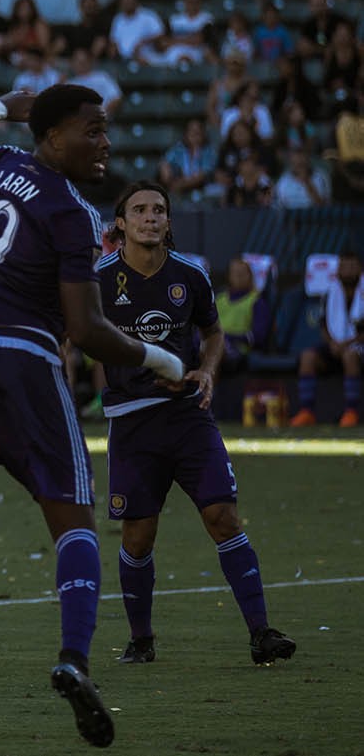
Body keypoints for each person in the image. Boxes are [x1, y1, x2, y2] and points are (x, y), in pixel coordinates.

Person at [0, 85, 187, 750]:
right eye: (91, 130)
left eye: (106, 132)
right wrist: (158, 359)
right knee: (72, 519)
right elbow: (83, 327)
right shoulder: (70, 211)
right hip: (23, 361)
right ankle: (72, 659)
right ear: (50, 136)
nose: (104, 143)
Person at [98, 181, 296, 667]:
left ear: (168, 221)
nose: (150, 217)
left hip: (188, 418)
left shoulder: (192, 274)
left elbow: (213, 332)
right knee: (138, 537)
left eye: (159, 210)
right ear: (120, 223)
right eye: (139, 210)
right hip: (131, 424)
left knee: (222, 517)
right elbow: (73, 335)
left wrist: (206, 371)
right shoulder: (98, 279)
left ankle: (261, 634)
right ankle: (141, 640)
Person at [290, 250, 363, 427]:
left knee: (350, 356)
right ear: (337, 270)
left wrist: (347, 344)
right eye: (344, 267)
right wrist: (332, 343)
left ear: (360, 269)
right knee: (308, 357)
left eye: (352, 267)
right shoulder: (330, 292)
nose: (348, 271)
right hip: (335, 346)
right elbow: (323, 325)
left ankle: (351, 412)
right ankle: (306, 411)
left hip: (358, 347)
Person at [216, 257, 271, 373]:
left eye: (243, 273)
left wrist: (228, 337)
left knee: (214, 351)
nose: (239, 276)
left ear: (250, 276)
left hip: (238, 349)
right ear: (229, 276)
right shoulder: (219, 299)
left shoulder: (257, 301)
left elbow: (258, 337)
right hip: (213, 342)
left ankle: (210, 390)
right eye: (235, 273)